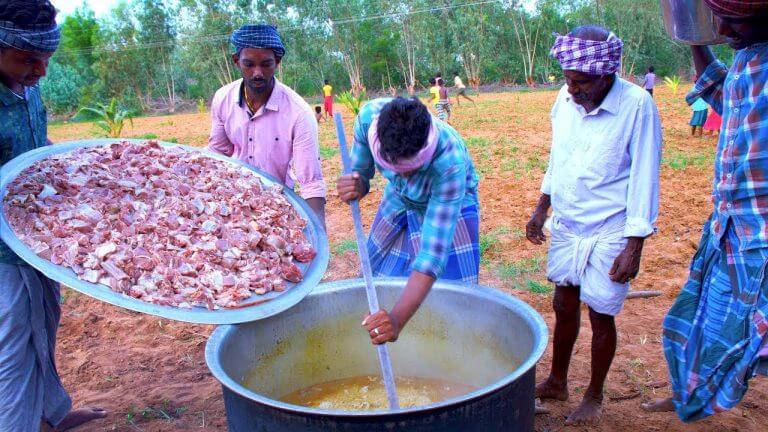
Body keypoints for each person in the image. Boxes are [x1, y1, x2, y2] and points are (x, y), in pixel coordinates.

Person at [526, 25, 662, 426]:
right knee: (562, 304)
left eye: (581, 82)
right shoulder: (565, 99)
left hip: (611, 228)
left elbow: (644, 177)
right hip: (569, 222)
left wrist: (634, 245)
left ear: (607, 76)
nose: (572, 90)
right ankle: (557, 380)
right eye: (568, 80)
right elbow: (558, 157)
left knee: (602, 312)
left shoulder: (637, 106)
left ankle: (594, 394)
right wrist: (541, 208)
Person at [641, 0, 768, 422]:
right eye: (717, 20)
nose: (723, 30)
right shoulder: (748, 59)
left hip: (762, 238)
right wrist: (692, 34)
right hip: (730, 230)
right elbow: (717, 90)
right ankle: (690, 395)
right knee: (700, 322)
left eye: (733, 21)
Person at [0, 1, 108, 430]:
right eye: (29, 59)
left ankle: (48, 416)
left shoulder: (26, 87)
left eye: (45, 60)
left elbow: (35, 145)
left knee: (43, 326)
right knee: (12, 347)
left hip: (39, 241)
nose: (40, 71)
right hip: (5, 253)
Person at [336, 97, 479, 345]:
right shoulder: (369, 117)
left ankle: (443, 346)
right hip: (398, 198)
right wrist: (356, 185)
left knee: (451, 301)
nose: (406, 177)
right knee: (379, 279)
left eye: (413, 170)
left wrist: (396, 320)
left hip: (448, 203)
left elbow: (432, 256)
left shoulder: (449, 163)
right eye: (397, 169)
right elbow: (361, 175)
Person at [208, 24, 326, 227]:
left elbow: (311, 183)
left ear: (277, 62)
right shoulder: (223, 98)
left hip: (277, 207)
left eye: (266, 64)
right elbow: (217, 151)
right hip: (232, 203)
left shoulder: (299, 113)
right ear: (236, 61)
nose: (257, 73)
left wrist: (320, 235)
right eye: (249, 64)